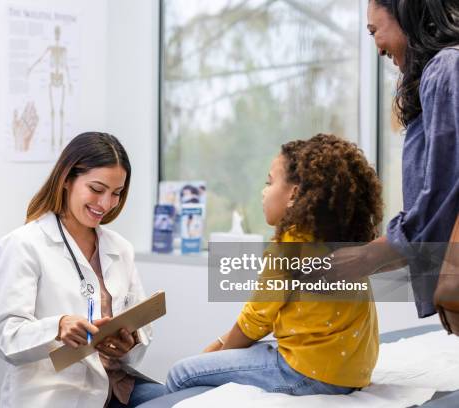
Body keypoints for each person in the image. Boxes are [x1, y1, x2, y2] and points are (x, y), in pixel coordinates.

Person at [163, 134, 382, 397]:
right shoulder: (336, 238)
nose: (263, 191)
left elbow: (257, 318)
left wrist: (217, 353)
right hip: (352, 372)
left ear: (295, 194)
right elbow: (271, 314)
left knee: (181, 373)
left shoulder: (292, 239)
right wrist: (221, 346)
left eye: (269, 182)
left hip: (310, 374)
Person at [0, 132, 165, 407]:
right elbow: (5, 336)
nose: (105, 204)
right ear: (67, 179)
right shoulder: (24, 245)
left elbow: (144, 329)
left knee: (187, 398)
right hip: (56, 394)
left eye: (116, 193)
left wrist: (130, 342)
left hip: (116, 387)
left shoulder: (121, 248)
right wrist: (57, 327)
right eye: (96, 189)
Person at [322, 0, 459, 318]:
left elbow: (446, 189)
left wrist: (370, 256)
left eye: (374, 31)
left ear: (405, 12)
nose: (378, 49)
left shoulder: (446, 68)